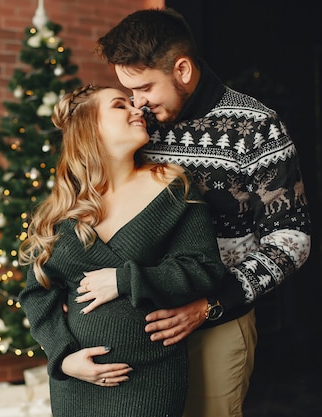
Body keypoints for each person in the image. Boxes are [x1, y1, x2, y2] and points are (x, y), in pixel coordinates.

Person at [86, 8, 312, 417]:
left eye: (144, 88)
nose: (138, 103)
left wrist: (210, 304)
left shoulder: (258, 127)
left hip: (217, 321)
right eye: (128, 93)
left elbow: (291, 241)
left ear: (183, 69)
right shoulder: (139, 125)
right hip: (138, 321)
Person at [18, 84, 226, 417]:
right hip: (78, 386)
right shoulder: (62, 209)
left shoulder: (172, 186)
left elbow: (205, 269)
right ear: (90, 127)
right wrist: (64, 358)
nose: (137, 110)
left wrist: (124, 280)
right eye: (119, 106)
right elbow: (36, 294)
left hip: (151, 377)